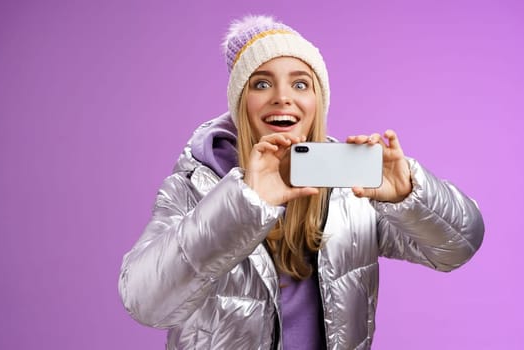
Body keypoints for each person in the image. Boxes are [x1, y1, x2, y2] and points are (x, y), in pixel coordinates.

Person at [119, 15, 485, 349]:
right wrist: (245, 202)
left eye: (300, 83)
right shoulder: (195, 185)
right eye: (262, 83)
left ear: (318, 101)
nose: (283, 97)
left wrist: (408, 194)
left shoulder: (352, 188)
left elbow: (458, 247)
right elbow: (146, 303)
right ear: (240, 103)